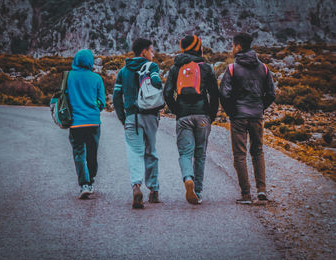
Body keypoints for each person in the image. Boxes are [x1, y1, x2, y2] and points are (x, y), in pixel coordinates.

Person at [219, 33, 275, 204]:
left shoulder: (231, 69)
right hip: (257, 116)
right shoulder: (264, 68)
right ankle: (262, 191)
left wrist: (232, 112)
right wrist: (260, 107)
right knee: (258, 152)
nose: (232, 48)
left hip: (239, 117)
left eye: (233, 45)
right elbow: (271, 94)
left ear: (238, 47)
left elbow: (224, 94)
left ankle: (245, 195)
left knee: (240, 155)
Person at [164, 35, 219, 205]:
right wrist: (211, 115)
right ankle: (198, 191)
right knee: (200, 154)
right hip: (202, 116)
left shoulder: (175, 68)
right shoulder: (206, 68)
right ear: (197, 48)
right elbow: (215, 94)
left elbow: (167, 93)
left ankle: (188, 178)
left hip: (184, 117)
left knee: (185, 153)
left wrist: (177, 111)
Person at [113, 38, 163, 209]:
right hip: (150, 116)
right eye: (151, 50)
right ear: (144, 52)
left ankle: (136, 186)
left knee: (135, 152)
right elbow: (157, 84)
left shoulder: (123, 71)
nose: (153, 53)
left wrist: (122, 117)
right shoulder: (152, 67)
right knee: (151, 151)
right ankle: (154, 190)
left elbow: (116, 97)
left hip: (131, 117)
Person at [67, 49, 106, 199]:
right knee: (92, 152)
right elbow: (101, 103)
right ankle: (91, 180)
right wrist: (93, 103)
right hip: (93, 122)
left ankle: (84, 184)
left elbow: (64, 98)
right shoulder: (97, 79)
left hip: (75, 123)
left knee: (78, 153)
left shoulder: (68, 77)